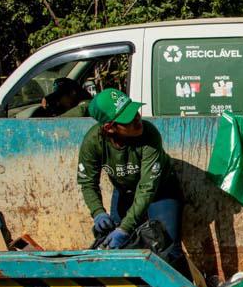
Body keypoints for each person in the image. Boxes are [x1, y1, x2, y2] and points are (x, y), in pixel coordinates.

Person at [77, 88, 185, 269]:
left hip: (161, 190)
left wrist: (125, 228)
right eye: (128, 119)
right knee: (117, 246)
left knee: (169, 249)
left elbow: (147, 188)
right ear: (109, 127)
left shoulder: (149, 135)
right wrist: (98, 212)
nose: (137, 119)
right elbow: (88, 182)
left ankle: (184, 285)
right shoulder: (93, 142)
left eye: (135, 112)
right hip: (125, 191)